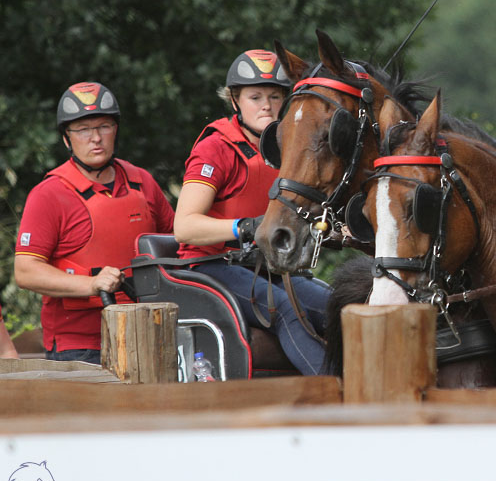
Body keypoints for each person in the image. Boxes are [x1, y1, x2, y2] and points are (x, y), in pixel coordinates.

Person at [173, 49, 331, 375]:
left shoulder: (291, 147)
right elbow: (184, 227)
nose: (266, 106)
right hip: (211, 265)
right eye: (255, 97)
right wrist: (245, 227)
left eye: (275, 96)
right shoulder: (215, 148)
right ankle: (336, 389)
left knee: (335, 307)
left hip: (267, 266)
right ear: (235, 101)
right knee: (282, 307)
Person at [15, 82, 175, 363]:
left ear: (116, 130)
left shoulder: (142, 182)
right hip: (80, 345)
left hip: (148, 331)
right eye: (83, 129)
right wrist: (91, 284)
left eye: (104, 126)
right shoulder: (49, 194)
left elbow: (176, 244)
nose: (96, 138)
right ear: (67, 139)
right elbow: (26, 271)